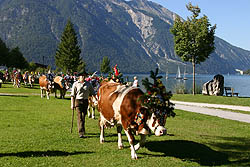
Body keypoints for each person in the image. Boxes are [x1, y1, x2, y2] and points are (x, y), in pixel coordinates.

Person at [70, 72, 95, 138]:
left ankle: (82, 129)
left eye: (84, 76)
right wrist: (72, 104)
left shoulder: (88, 84)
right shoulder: (75, 84)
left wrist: (96, 99)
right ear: (79, 77)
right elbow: (72, 95)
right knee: (79, 117)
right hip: (78, 101)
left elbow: (93, 93)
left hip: (85, 101)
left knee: (83, 117)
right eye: (82, 76)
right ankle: (81, 133)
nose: (83, 77)